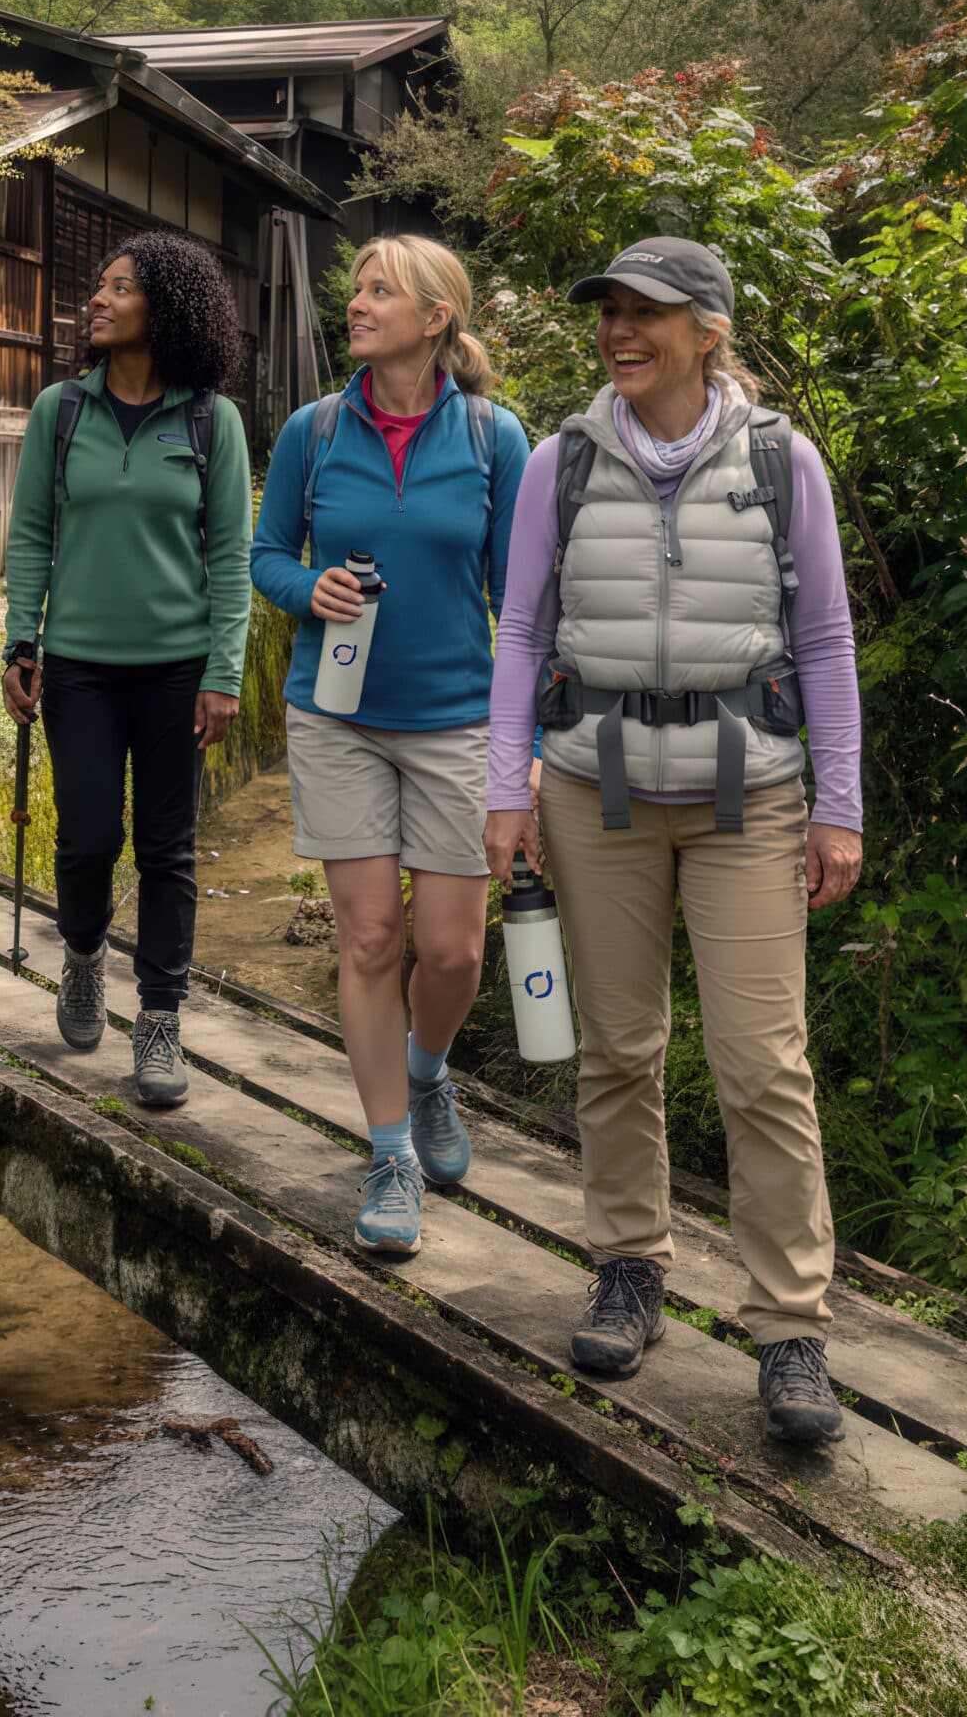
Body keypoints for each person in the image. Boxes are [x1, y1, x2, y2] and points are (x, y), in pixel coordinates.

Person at [484, 236, 863, 1448]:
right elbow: (517, 630)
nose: (619, 330)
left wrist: (838, 799)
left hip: (747, 795)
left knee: (760, 1060)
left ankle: (790, 1326)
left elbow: (822, 643)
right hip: (594, 791)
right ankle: (627, 1266)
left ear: (708, 329)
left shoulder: (777, 459)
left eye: (647, 312)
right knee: (616, 1046)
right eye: (608, 311)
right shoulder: (562, 460)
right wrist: (507, 785)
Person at [252, 237, 529, 1256]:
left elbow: (523, 605)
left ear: (434, 319)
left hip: (456, 719)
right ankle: (387, 1153)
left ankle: (424, 1072)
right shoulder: (313, 430)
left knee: (451, 947)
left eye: (380, 290)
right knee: (369, 937)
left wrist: (523, 749)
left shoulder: (496, 437)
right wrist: (302, 589)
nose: (356, 303)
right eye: (356, 287)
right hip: (336, 718)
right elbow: (268, 552)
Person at [1, 233, 253, 1111]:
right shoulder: (59, 411)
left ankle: (157, 1021)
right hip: (79, 668)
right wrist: (19, 645)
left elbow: (230, 556)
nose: (97, 300)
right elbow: (31, 534)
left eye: (120, 289)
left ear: (168, 309)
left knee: (167, 851)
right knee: (87, 838)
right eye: (98, 286)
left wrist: (224, 672)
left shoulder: (209, 420)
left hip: (177, 674)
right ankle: (79, 959)